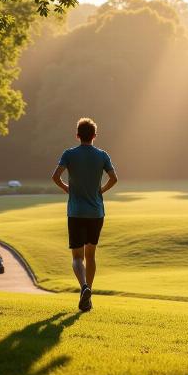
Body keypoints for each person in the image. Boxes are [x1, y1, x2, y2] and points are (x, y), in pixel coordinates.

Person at [52, 117, 117, 312]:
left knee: (77, 257)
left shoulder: (69, 154)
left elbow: (55, 176)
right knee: (91, 255)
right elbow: (114, 178)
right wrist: (101, 191)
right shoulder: (102, 155)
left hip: (76, 212)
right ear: (95, 136)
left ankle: (84, 288)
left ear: (77, 135)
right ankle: (88, 297)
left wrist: (67, 189)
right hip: (96, 212)